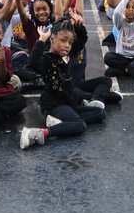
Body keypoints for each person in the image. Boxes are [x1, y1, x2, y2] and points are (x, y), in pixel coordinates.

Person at [19, 20, 106, 150]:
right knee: (80, 125)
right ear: (52, 39)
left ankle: (60, 123)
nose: (67, 45)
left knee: (100, 113)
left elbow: (81, 40)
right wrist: (42, 39)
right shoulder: (46, 59)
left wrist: (78, 26)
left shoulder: (65, 55)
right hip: (54, 104)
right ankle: (38, 133)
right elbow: (31, 63)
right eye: (63, 40)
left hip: (69, 102)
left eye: (70, 42)